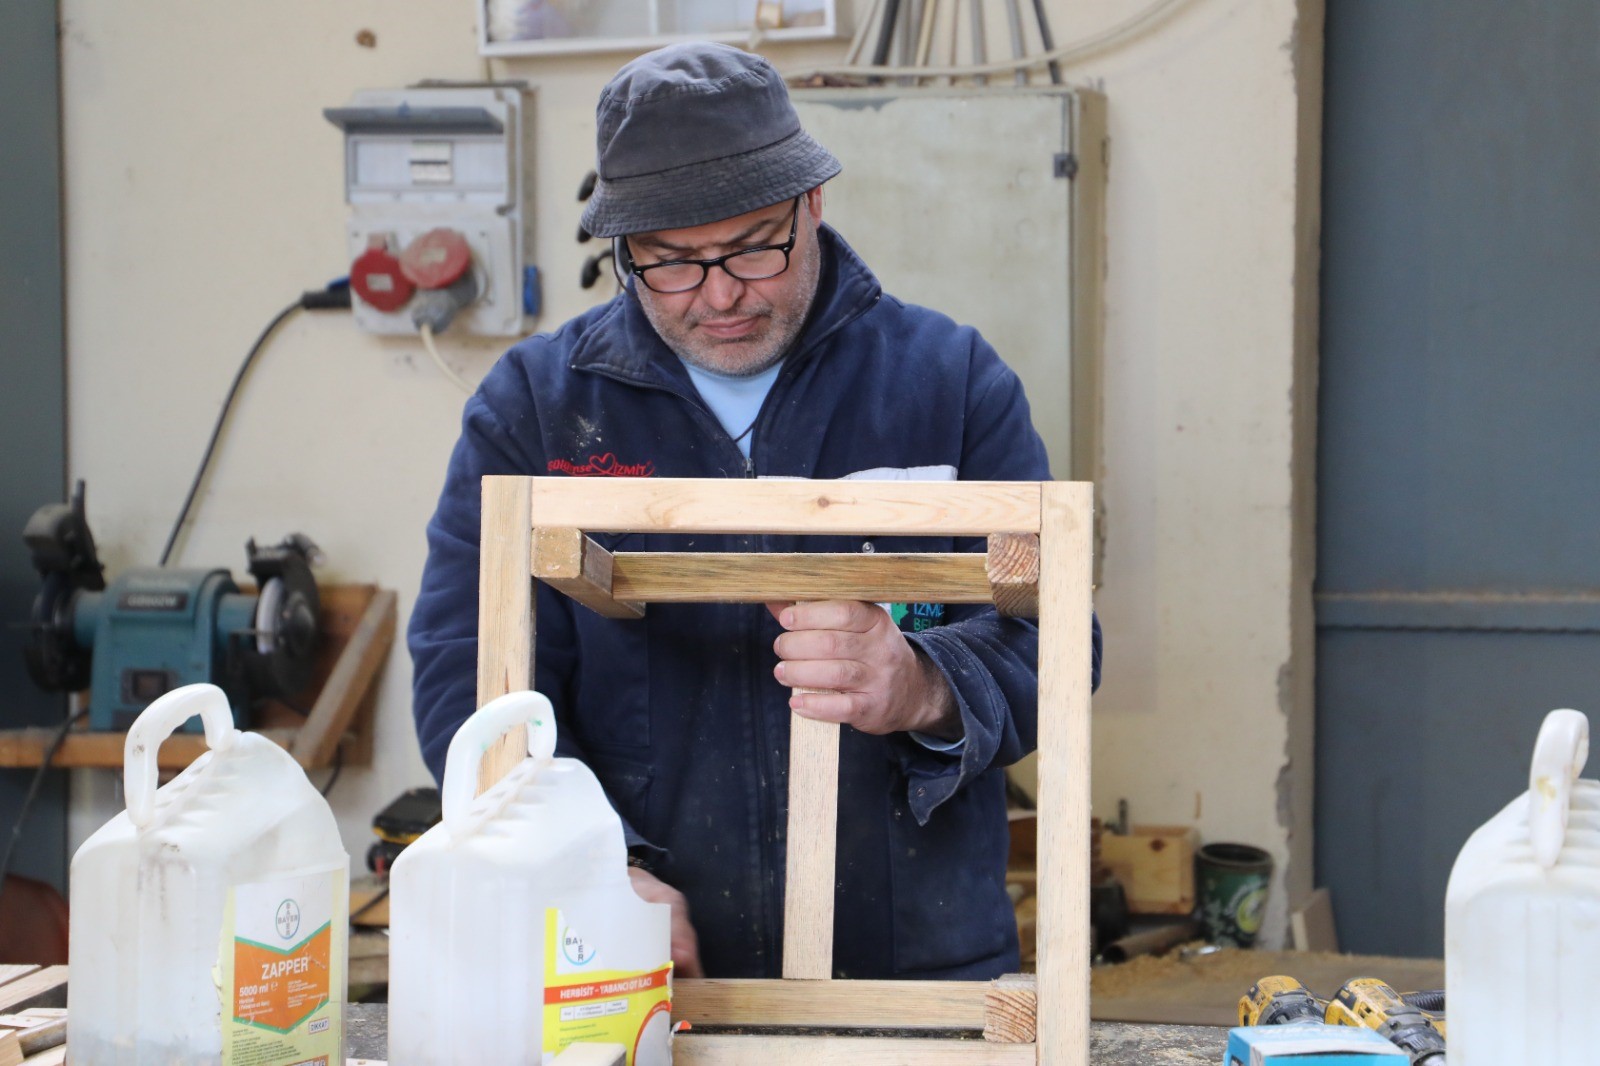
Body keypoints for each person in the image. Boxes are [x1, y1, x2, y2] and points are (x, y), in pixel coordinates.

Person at [408, 41, 1102, 981]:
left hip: (919, 962)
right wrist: (590, 868)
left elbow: (1057, 642)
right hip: (624, 950)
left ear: (812, 203)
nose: (721, 293)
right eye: (670, 263)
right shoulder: (534, 407)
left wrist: (924, 686)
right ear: (623, 250)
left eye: (752, 247)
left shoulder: (949, 381)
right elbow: (468, 674)